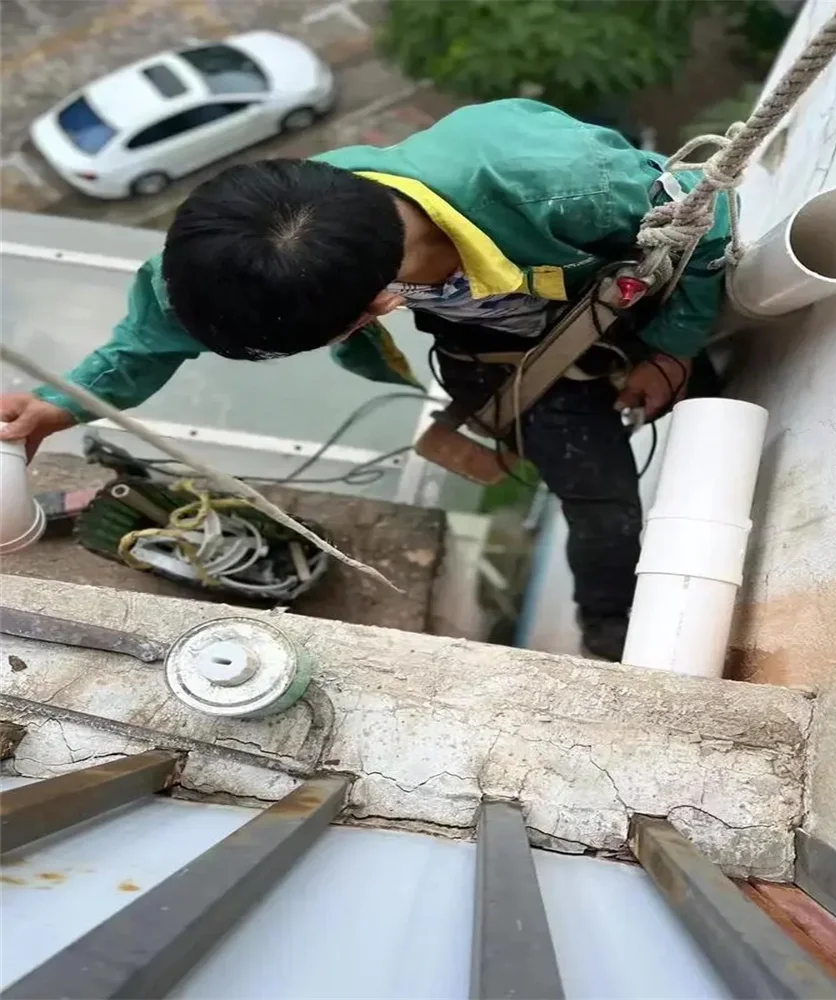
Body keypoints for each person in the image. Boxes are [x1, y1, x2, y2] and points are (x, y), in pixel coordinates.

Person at [0, 99, 729, 661]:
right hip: (499, 353)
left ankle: (707, 406)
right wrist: (54, 408)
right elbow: (150, 338)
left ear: (371, 311)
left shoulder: (552, 182)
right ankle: (617, 634)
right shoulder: (242, 257)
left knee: (712, 409)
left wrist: (669, 348)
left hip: (618, 306)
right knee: (601, 504)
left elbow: (709, 216)